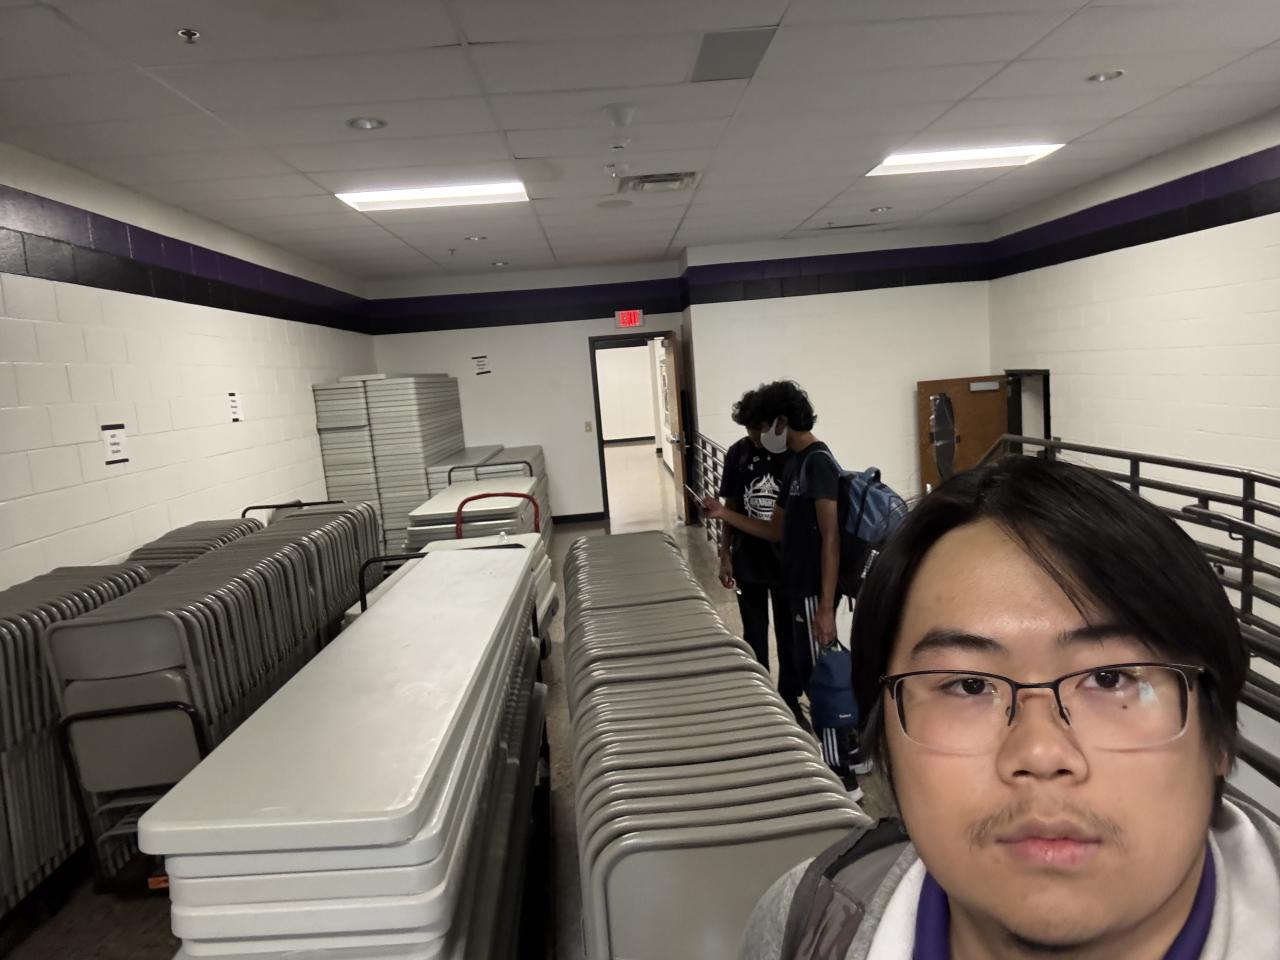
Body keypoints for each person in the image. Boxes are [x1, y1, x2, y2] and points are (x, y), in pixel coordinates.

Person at [741, 455, 1280, 960]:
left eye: (1110, 678)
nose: (1040, 752)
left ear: (1217, 736)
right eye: (969, 685)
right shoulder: (814, 921)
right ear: (883, 741)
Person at [704, 380, 863, 798]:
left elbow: (831, 539)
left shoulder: (818, 463)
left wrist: (825, 607)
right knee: (811, 669)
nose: (759, 436)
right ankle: (851, 748)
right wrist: (723, 515)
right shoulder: (795, 464)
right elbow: (773, 530)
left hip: (812, 591)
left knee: (820, 677)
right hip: (794, 584)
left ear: (780, 422)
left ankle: (842, 774)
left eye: (761, 427)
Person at [717, 388, 797, 706]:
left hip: (786, 561)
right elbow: (731, 507)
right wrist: (724, 554)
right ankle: (761, 698)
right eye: (748, 430)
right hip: (748, 559)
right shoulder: (737, 454)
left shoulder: (792, 456)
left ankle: (790, 698)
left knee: (789, 635)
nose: (753, 436)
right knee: (754, 634)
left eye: (757, 428)